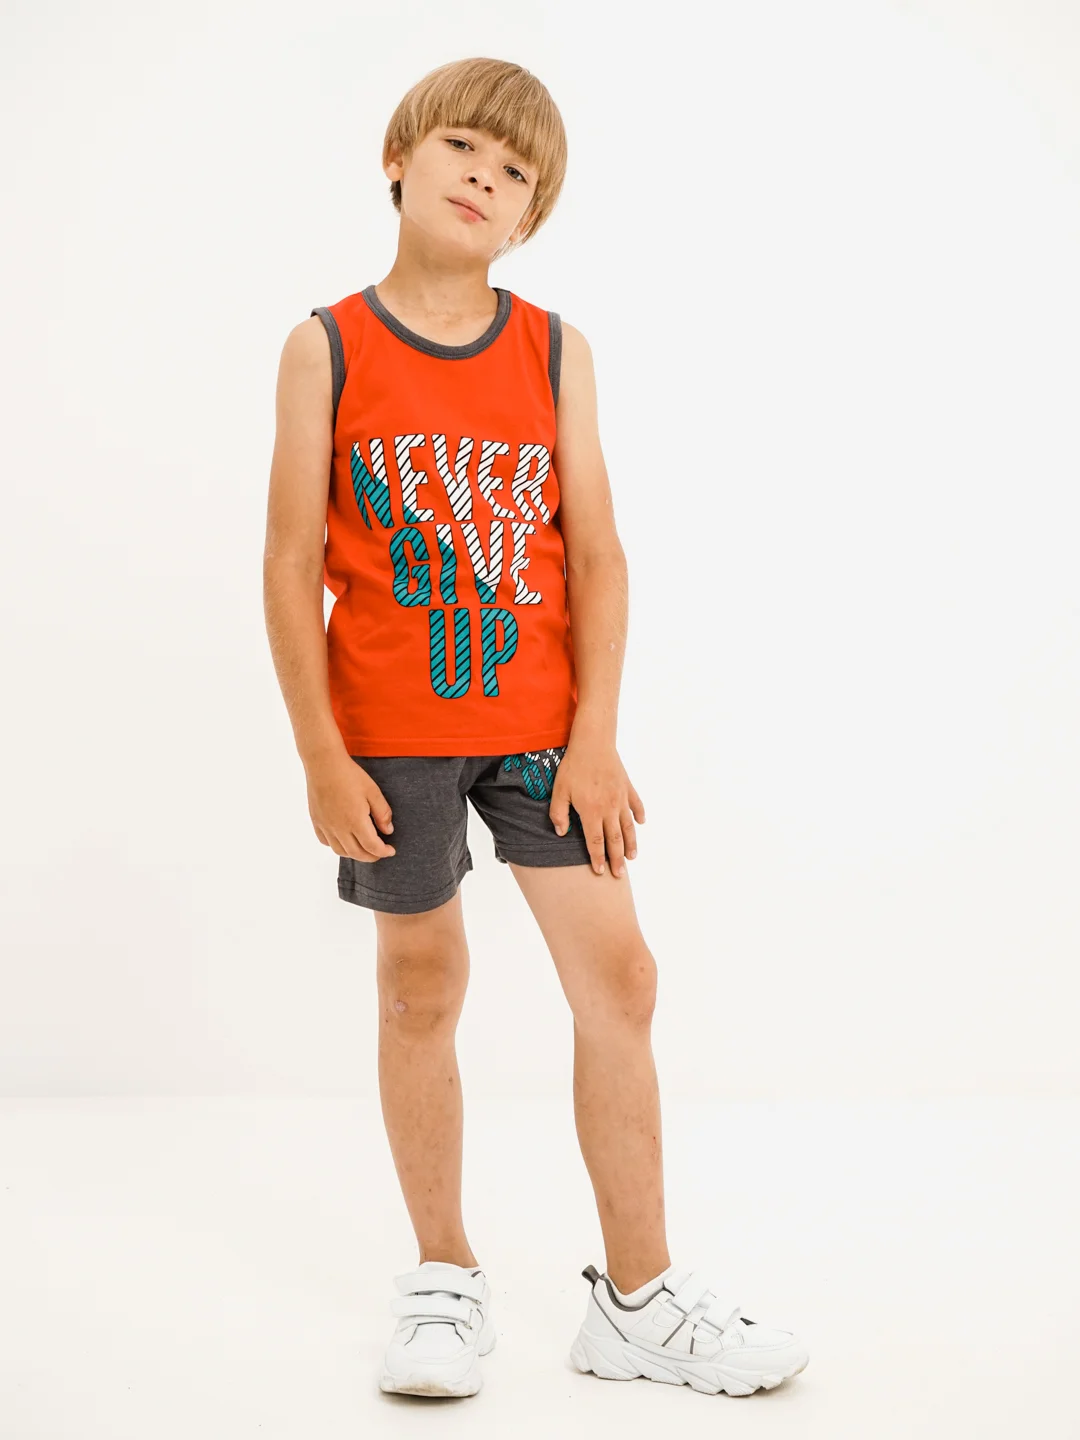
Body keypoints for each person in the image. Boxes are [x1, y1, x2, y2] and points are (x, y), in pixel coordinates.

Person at [263, 55, 809, 1401]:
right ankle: (443, 1276)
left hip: (544, 735)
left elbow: (598, 551)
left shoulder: (554, 349)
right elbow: (289, 562)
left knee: (621, 978)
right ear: (399, 157)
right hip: (390, 733)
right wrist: (320, 753)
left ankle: (638, 1298)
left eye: (516, 173)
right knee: (421, 986)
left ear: (529, 217)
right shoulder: (327, 345)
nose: (483, 178)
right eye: (463, 146)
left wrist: (598, 735)